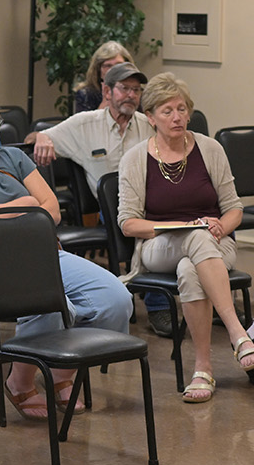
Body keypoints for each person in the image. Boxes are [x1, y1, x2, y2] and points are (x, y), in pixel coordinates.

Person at [0, 90, 132, 420]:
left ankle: (60, 375)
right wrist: (27, 205)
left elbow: (51, 211)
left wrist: (10, 210)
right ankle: (19, 381)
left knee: (115, 299)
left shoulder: (14, 158)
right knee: (52, 302)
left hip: (39, 255)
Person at [116, 73, 254, 403]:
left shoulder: (209, 149)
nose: (177, 117)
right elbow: (128, 224)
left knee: (189, 268)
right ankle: (238, 333)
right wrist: (176, 227)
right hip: (158, 246)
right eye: (167, 111)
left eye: (182, 109)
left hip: (214, 244)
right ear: (150, 117)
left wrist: (221, 228)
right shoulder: (135, 159)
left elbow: (234, 208)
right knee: (193, 238)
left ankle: (203, 369)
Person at [25, 61, 175, 338]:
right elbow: (33, 136)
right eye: (124, 89)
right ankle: (158, 304)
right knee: (149, 228)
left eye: (136, 90)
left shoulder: (147, 125)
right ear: (107, 90)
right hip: (114, 206)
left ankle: (198, 295)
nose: (131, 95)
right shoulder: (85, 124)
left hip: (150, 201)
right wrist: (42, 137)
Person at [69, 40, 129, 114]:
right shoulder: (85, 94)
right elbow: (82, 124)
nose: (114, 70)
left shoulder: (135, 91)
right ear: (98, 70)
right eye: (108, 66)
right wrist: (105, 103)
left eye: (118, 65)